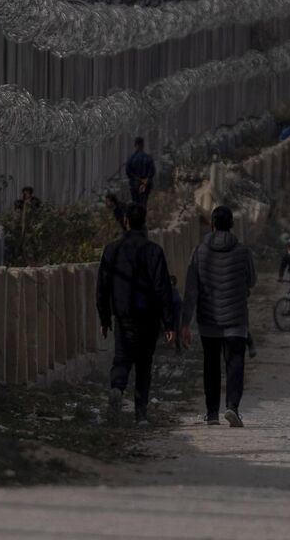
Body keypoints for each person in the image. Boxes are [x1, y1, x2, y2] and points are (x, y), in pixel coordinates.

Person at [95, 203, 177, 424]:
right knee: (144, 363)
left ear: (125, 222)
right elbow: (162, 288)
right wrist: (169, 323)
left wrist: (104, 318)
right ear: (144, 221)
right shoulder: (154, 251)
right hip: (149, 317)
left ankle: (117, 388)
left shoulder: (112, 250)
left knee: (122, 358)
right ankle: (141, 414)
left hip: (123, 316)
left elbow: (102, 287)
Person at [182, 206, 255, 427]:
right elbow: (251, 280)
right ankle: (232, 407)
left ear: (212, 224)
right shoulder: (242, 251)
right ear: (232, 224)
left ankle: (212, 413)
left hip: (209, 319)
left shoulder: (199, 251)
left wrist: (185, 323)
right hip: (236, 319)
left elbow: (191, 290)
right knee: (235, 363)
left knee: (211, 365)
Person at [124, 137, 157, 206]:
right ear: (143, 145)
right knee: (143, 203)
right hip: (144, 184)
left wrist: (135, 178)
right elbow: (152, 171)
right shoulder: (148, 158)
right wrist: (146, 180)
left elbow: (128, 172)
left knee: (135, 203)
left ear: (135, 145)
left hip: (135, 184)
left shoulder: (131, 158)